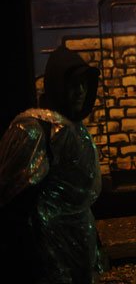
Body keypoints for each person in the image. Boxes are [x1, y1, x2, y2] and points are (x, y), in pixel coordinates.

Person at [0, 44, 104, 283]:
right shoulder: (33, 131)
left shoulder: (73, 129)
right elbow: (14, 201)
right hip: (46, 257)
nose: (80, 91)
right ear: (58, 86)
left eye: (84, 84)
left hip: (76, 250)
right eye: (72, 84)